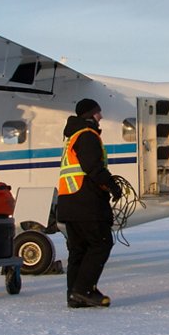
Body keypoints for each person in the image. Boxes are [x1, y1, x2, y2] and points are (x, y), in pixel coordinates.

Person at [57, 98, 121, 308]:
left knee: (79, 250)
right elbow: (93, 168)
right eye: (98, 112)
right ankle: (83, 290)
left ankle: (74, 295)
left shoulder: (73, 137)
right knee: (101, 243)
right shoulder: (87, 136)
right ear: (90, 115)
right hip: (86, 202)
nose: (100, 116)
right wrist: (112, 186)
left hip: (69, 201)